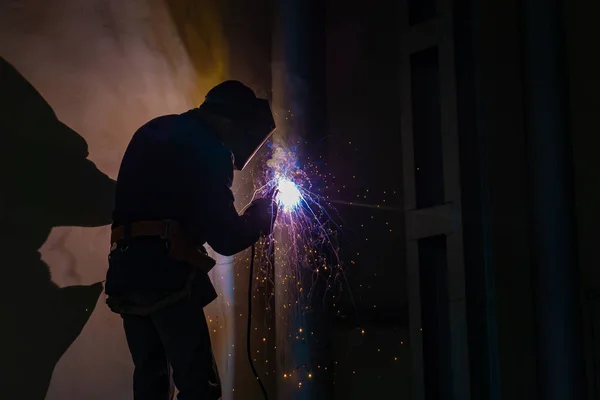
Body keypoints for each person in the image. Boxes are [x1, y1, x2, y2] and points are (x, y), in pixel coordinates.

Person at [104, 81, 277, 400]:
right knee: (199, 386)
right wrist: (261, 215)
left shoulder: (156, 129)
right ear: (227, 122)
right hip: (165, 275)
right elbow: (226, 238)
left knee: (151, 382)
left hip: (125, 272)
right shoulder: (208, 148)